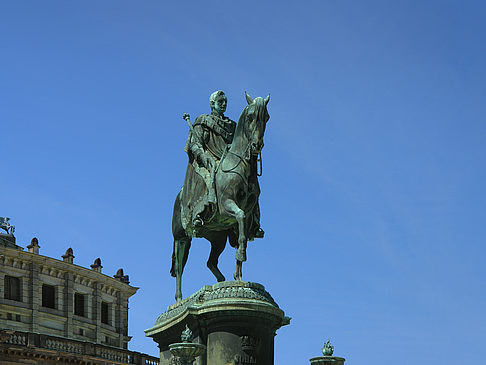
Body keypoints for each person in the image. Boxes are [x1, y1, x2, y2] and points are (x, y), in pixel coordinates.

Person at [182, 91, 264, 238]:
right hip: (209, 160)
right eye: (220, 102)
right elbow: (194, 144)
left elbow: (238, 143)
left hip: (228, 160)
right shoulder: (202, 121)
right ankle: (199, 214)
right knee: (209, 177)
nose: (224, 104)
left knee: (251, 182)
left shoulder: (232, 125)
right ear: (212, 104)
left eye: (225, 102)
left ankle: (254, 223)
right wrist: (203, 155)